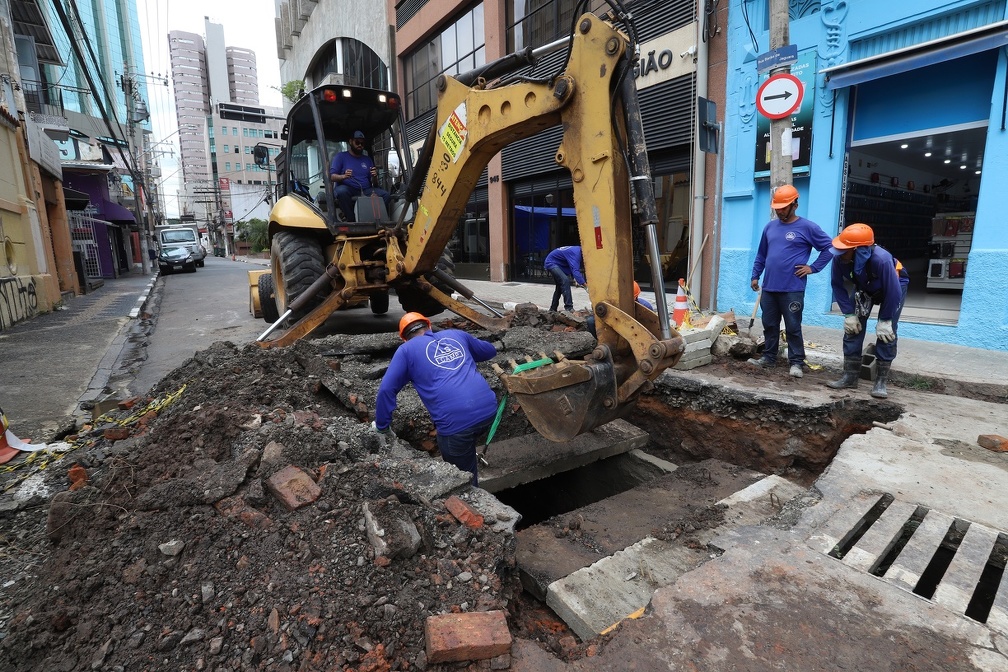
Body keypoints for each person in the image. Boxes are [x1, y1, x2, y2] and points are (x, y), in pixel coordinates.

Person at [372, 312, 498, 486]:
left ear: (404, 338)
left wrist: (382, 427)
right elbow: (490, 351)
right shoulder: (456, 334)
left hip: (456, 425)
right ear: (429, 326)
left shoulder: (406, 350)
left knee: (463, 481)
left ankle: (473, 496)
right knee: (466, 437)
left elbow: (386, 389)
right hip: (490, 410)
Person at [748, 184, 833, 378]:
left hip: (792, 288)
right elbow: (761, 254)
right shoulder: (769, 227)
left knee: (793, 326)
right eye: (776, 208)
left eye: (783, 208)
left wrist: (813, 267)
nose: (779, 212)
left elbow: (830, 248)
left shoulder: (807, 227)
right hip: (769, 287)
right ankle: (769, 358)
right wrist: (755, 275)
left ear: (795, 205)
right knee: (770, 324)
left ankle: (796, 362)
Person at [826, 223, 910, 399]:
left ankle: (880, 381)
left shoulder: (881, 259)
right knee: (852, 329)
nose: (839, 254)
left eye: (844, 250)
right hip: (865, 288)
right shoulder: (839, 258)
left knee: (886, 333)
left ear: (859, 250)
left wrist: (885, 320)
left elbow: (893, 292)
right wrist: (848, 314)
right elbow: (837, 285)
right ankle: (850, 376)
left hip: (893, 287)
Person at [329, 130, 391, 221]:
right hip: (349, 188)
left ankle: (375, 220)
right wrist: (344, 176)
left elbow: (375, 185)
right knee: (341, 191)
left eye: (362, 143)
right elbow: (331, 177)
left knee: (386, 195)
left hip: (365, 190)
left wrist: (374, 177)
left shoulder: (367, 160)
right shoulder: (341, 157)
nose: (360, 145)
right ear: (350, 142)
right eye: (357, 142)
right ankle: (351, 220)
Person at [586, 282, 652, 337]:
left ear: (636, 297)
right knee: (591, 321)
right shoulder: (614, 304)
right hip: (616, 328)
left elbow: (651, 326)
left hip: (636, 333)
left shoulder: (645, 306)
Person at [543, 245, 586, 312]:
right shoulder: (576, 253)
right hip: (551, 263)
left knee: (559, 288)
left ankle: (552, 309)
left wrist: (575, 278)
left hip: (558, 264)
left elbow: (572, 266)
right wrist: (585, 285)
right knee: (565, 281)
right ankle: (569, 307)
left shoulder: (577, 250)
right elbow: (575, 270)